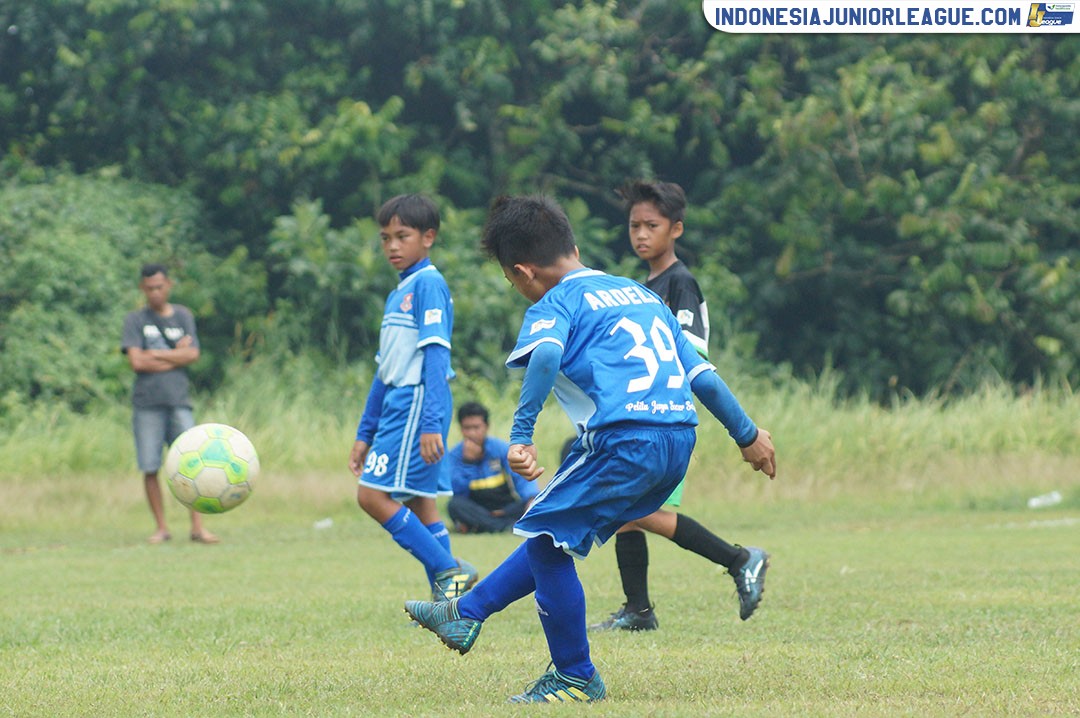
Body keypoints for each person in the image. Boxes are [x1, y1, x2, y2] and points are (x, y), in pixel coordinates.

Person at [404, 195, 776, 703]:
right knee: (548, 534)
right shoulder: (638, 293)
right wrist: (748, 434)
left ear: (522, 272)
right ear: (573, 246)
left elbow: (548, 353)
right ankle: (465, 614)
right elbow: (702, 376)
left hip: (625, 438)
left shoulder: (556, 302)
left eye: (513, 283)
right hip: (677, 439)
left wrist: (520, 435)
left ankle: (575, 675)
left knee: (547, 539)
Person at [591, 180, 771, 631]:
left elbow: (690, 351)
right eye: (634, 225)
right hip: (645, 416)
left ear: (677, 229)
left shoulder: (680, 282)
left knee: (640, 511)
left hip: (666, 419)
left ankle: (740, 559)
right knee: (627, 515)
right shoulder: (643, 286)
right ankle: (638, 610)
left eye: (651, 225)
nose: (641, 234)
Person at [348, 194, 478, 602]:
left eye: (402, 236)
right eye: (385, 237)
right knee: (423, 503)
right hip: (399, 405)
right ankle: (452, 603)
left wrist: (429, 421)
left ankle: (447, 569)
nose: (391, 246)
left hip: (416, 404)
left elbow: (437, 355)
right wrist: (364, 431)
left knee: (371, 496)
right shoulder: (398, 291)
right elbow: (384, 368)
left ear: (428, 237)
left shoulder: (429, 284)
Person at [121, 263, 218, 545]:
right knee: (150, 466)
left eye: (159, 286)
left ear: (169, 285)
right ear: (142, 288)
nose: (155, 292)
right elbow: (136, 362)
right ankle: (161, 527)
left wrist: (154, 355)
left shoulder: (184, 316)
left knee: (192, 463)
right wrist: (174, 355)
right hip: (146, 404)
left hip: (179, 401)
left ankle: (198, 527)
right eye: (149, 288)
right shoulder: (135, 320)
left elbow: (193, 355)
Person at [444, 401, 538, 533]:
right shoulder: (454, 456)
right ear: (461, 428)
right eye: (467, 428)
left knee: (532, 501)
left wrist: (530, 498)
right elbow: (457, 493)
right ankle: (505, 527)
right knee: (454, 506)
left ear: (486, 427)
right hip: (476, 508)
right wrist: (468, 463)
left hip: (503, 507)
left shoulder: (500, 449)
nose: (472, 433)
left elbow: (521, 477)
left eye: (476, 427)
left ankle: (480, 526)